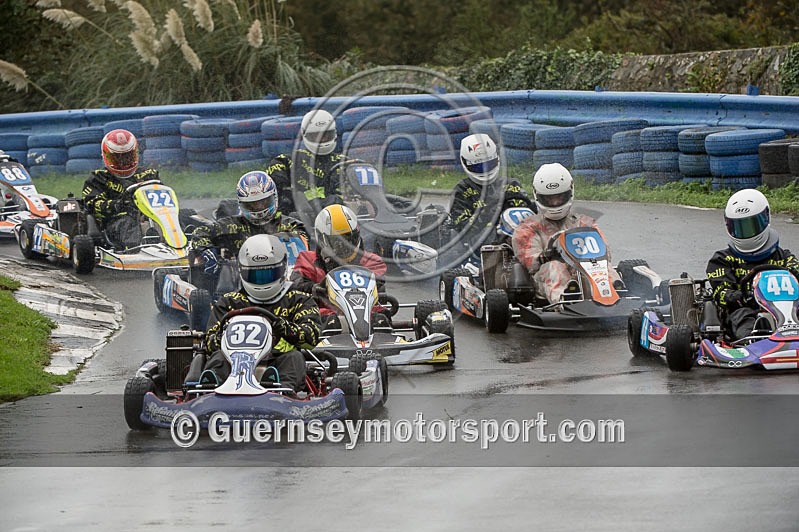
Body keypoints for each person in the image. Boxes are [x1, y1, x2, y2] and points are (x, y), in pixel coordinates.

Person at [202, 234, 321, 392]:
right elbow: (209, 342)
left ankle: (280, 390)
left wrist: (282, 327)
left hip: (277, 361)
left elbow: (311, 338)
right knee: (217, 357)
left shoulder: (298, 299)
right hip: (233, 363)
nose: (262, 281)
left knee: (294, 357)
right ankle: (211, 386)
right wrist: (224, 337)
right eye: (255, 275)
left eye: (268, 274)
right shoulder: (229, 302)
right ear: (242, 272)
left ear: (283, 268)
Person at [512, 162, 621, 304]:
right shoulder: (527, 228)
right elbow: (530, 263)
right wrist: (549, 255)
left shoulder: (584, 222)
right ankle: (567, 298)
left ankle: (616, 293)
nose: (556, 203)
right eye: (549, 199)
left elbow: (605, 252)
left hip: (583, 271)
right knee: (554, 268)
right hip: (543, 279)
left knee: (602, 266)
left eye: (560, 197)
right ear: (539, 197)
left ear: (569, 193)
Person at [190, 170, 308, 292]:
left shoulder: (290, 225)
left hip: (287, 278)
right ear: (242, 205)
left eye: (263, 202)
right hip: (242, 285)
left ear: (274, 198)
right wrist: (206, 250)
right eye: (253, 205)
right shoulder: (231, 226)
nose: (259, 209)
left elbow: (308, 245)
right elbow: (200, 232)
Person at [706, 188, 799, 340]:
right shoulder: (722, 260)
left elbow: (796, 271)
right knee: (743, 315)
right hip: (745, 310)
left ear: (766, 218)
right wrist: (737, 296)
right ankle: (756, 340)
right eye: (739, 227)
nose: (746, 232)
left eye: (751, 225)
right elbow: (720, 293)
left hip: (789, 311)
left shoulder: (783, 256)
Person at [290, 204, 388, 321]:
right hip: (324, 316)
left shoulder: (371, 260)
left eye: (348, 239)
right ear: (322, 239)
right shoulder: (308, 260)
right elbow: (296, 287)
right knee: (328, 320)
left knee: (381, 319)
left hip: (364, 315)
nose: (345, 246)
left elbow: (379, 284)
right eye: (337, 241)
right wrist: (315, 288)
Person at [449, 133, 535, 260]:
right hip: (480, 245)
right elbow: (463, 226)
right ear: (466, 163)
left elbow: (525, 212)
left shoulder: (510, 185)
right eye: (478, 166)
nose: (485, 171)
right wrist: (488, 212)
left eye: (488, 164)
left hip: (516, 236)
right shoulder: (462, 190)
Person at [82, 128, 160, 250]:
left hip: (152, 216)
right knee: (127, 222)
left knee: (184, 215)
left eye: (128, 157)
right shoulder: (98, 178)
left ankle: (188, 244)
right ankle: (137, 250)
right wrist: (118, 205)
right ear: (106, 156)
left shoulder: (149, 174)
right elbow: (93, 205)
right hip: (115, 221)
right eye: (118, 158)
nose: (123, 162)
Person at [265, 109, 346, 218]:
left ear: (334, 134)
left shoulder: (343, 162)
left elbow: (350, 199)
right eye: (317, 136)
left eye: (326, 136)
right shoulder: (288, 161)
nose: (322, 140)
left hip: (335, 220)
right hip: (298, 223)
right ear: (305, 135)